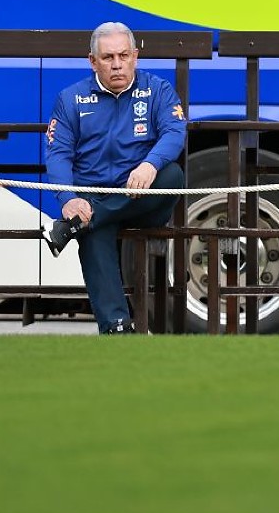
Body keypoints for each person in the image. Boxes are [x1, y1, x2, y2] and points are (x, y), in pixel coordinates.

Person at [45, 22, 187, 334]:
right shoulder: (71, 99)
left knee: (173, 174)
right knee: (93, 223)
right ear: (92, 61)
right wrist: (68, 201)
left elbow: (176, 133)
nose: (118, 64)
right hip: (92, 194)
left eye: (124, 55)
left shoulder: (158, 90)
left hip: (144, 201)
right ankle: (117, 328)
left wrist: (150, 165)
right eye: (108, 57)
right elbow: (57, 154)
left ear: (136, 56)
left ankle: (83, 221)